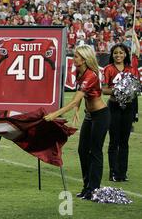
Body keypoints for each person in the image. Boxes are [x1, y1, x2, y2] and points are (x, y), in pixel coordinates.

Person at [44, 45, 109, 200]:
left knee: (95, 151)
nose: (74, 58)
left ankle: (94, 189)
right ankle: (87, 187)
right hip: (89, 115)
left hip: (100, 115)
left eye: (77, 56)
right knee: (82, 150)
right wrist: (78, 111)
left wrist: (55, 114)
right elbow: (80, 96)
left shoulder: (90, 75)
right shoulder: (79, 73)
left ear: (85, 59)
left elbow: (74, 101)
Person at [102, 43, 137, 182]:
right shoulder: (108, 69)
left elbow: (136, 89)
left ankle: (123, 172)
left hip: (128, 108)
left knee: (124, 141)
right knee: (114, 141)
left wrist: (131, 91)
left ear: (125, 54)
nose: (118, 55)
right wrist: (119, 91)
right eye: (115, 53)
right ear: (112, 54)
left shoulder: (131, 69)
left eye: (121, 53)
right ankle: (113, 172)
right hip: (114, 106)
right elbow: (104, 89)